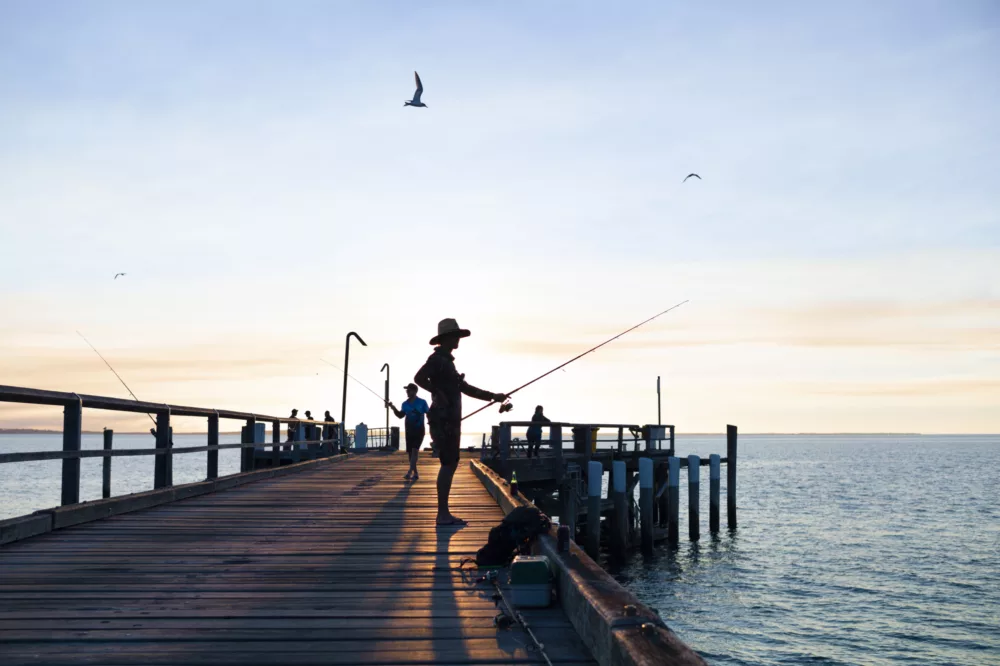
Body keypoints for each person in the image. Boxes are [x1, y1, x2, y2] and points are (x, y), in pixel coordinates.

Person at [414, 318, 506, 527]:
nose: (458, 339)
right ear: (446, 338)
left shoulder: (448, 363)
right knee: (448, 463)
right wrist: (436, 392)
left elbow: (465, 388)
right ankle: (443, 514)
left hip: (450, 420)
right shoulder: (437, 360)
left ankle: (444, 513)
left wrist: (494, 396)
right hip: (444, 420)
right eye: (455, 336)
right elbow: (418, 378)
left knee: (451, 463)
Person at [389, 383, 429, 481]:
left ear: (415, 391)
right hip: (409, 430)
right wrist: (392, 407)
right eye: (407, 390)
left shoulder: (422, 402)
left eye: (409, 390)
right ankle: (415, 473)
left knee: (415, 450)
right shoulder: (405, 404)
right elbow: (400, 415)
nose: (407, 392)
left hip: (419, 430)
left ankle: (409, 472)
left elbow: (429, 413)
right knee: (411, 453)